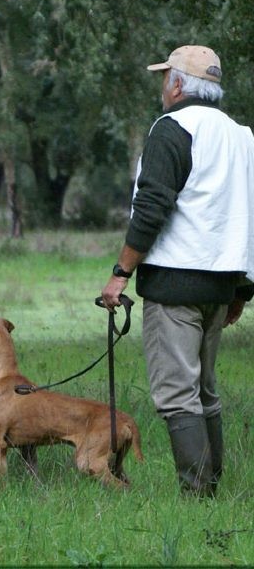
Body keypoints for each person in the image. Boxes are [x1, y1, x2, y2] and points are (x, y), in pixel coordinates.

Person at [101, 45, 254, 496]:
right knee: (204, 390)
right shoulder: (242, 136)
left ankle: (197, 494)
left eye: (164, 78)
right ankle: (211, 489)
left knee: (176, 393)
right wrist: (242, 290)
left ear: (177, 84)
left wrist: (121, 273)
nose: (162, 87)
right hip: (221, 285)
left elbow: (151, 207)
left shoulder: (172, 128)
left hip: (175, 284)